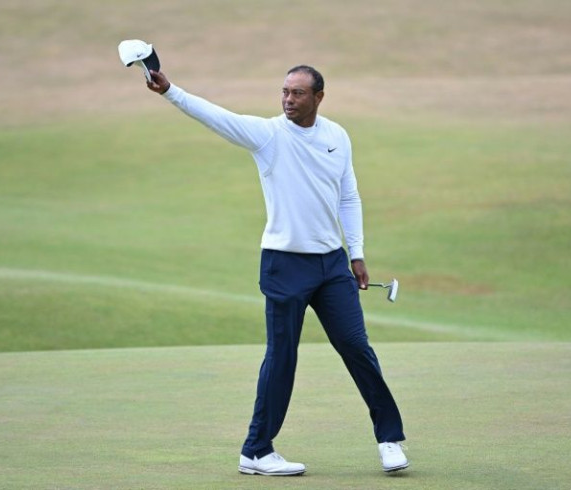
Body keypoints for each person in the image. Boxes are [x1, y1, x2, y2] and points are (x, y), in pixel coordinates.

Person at [145, 64, 408, 475]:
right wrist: (170, 91)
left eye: (298, 93)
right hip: (284, 264)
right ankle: (256, 451)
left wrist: (356, 253)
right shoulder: (269, 135)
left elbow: (349, 196)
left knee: (357, 347)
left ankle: (388, 438)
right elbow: (219, 118)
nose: (288, 99)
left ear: (318, 97)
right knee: (282, 356)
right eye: (284, 91)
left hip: (331, 264)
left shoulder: (337, 136)